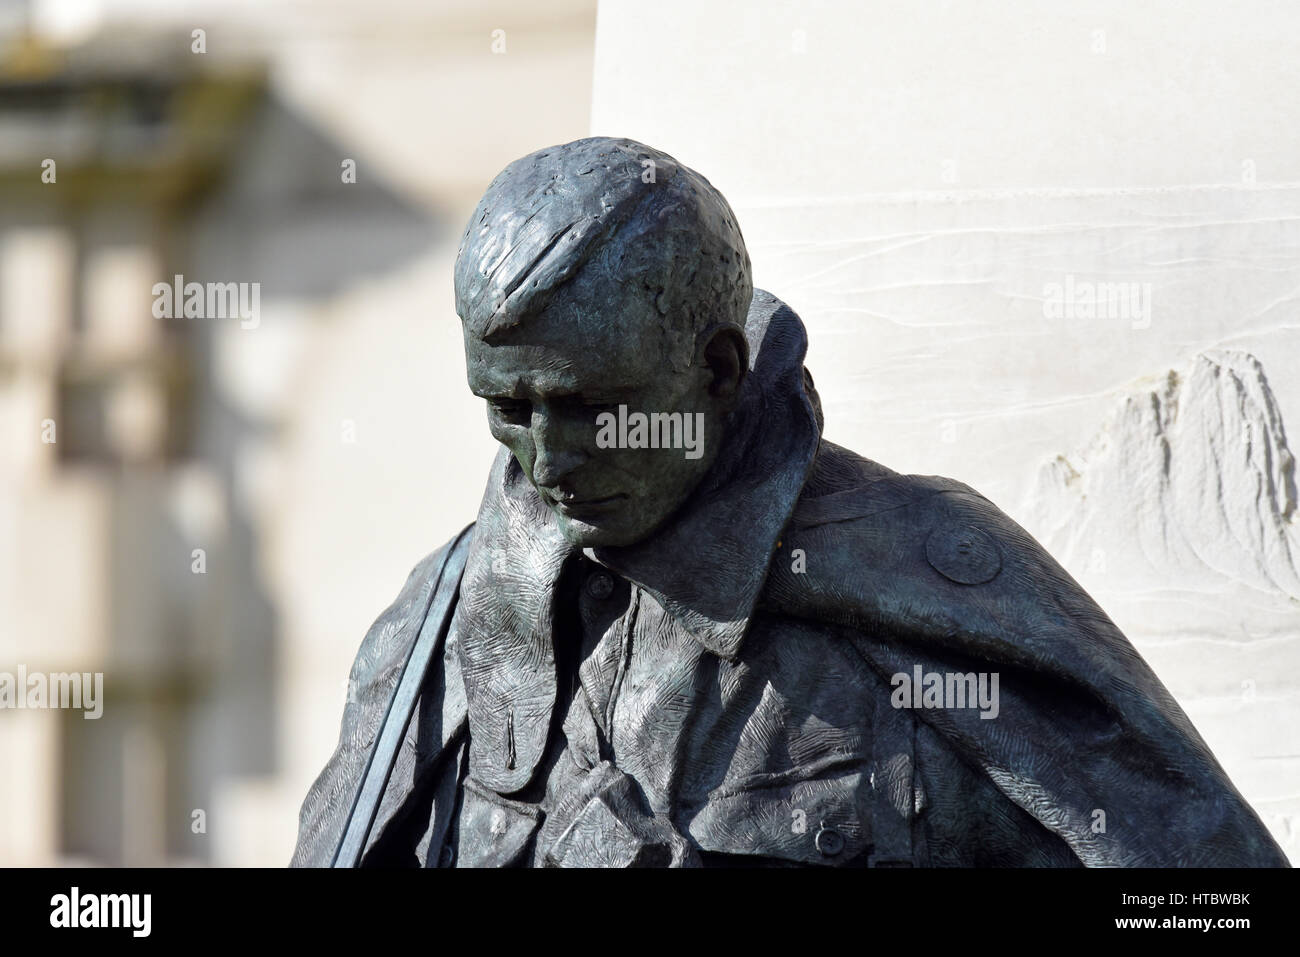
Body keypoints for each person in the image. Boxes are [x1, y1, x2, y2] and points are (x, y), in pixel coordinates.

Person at [291, 136, 1289, 867]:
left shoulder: (922, 579)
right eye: (506, 406)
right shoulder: (443, 635)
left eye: (592, 407)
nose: (545, 458)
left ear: (717, 371)